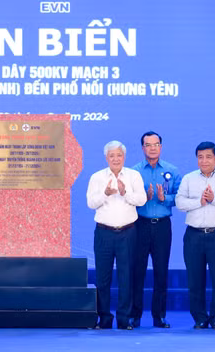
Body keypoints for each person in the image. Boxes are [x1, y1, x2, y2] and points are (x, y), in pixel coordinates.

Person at [175, 141, 215, 330]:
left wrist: (214, 199)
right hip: (193, 235)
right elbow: (180, 202)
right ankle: (200, 318)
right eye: (200, 157)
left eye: (208, 156)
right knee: (195, 279)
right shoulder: (188, 178)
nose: (204, 161)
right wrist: (200, 202)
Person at [86, 140, 146, 330]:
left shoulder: (133, 176)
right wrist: (105, 194)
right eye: (112, 155)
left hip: (127, 232)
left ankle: (124, 319)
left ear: (124, 157)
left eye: (119, 155)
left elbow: (142, 199)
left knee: (126, 277)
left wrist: (124, 192)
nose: (115, 159)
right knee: (103, 278)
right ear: (106, 158)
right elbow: (91, 203)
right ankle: (104, 318)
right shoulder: (97, 177)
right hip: (104, 233)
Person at [130, 131, 180, 328]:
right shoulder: (133, 172)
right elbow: (128, 199)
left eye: (156, 144)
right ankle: (135, 315)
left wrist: (163, 198)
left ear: (161, 146)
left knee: (161, 271)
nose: (152, 148)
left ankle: (159, 316)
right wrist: (143, 197)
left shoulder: (172, 170)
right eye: (148, 144)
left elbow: (180, 198)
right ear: (142, 148)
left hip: (162, 226)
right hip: (139, 224)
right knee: (137, 271)